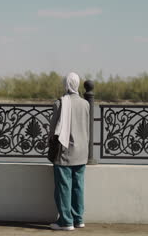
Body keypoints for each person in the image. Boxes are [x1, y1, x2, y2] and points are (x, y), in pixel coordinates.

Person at [49, 72, 90, 231]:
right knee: (78, 186)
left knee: (64, 187)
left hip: (65, 152)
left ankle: (66, 222)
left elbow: (53, 130)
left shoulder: (60, 103)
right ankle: (78, 218)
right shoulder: (86, 104)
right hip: (82, 151)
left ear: (66, 84)